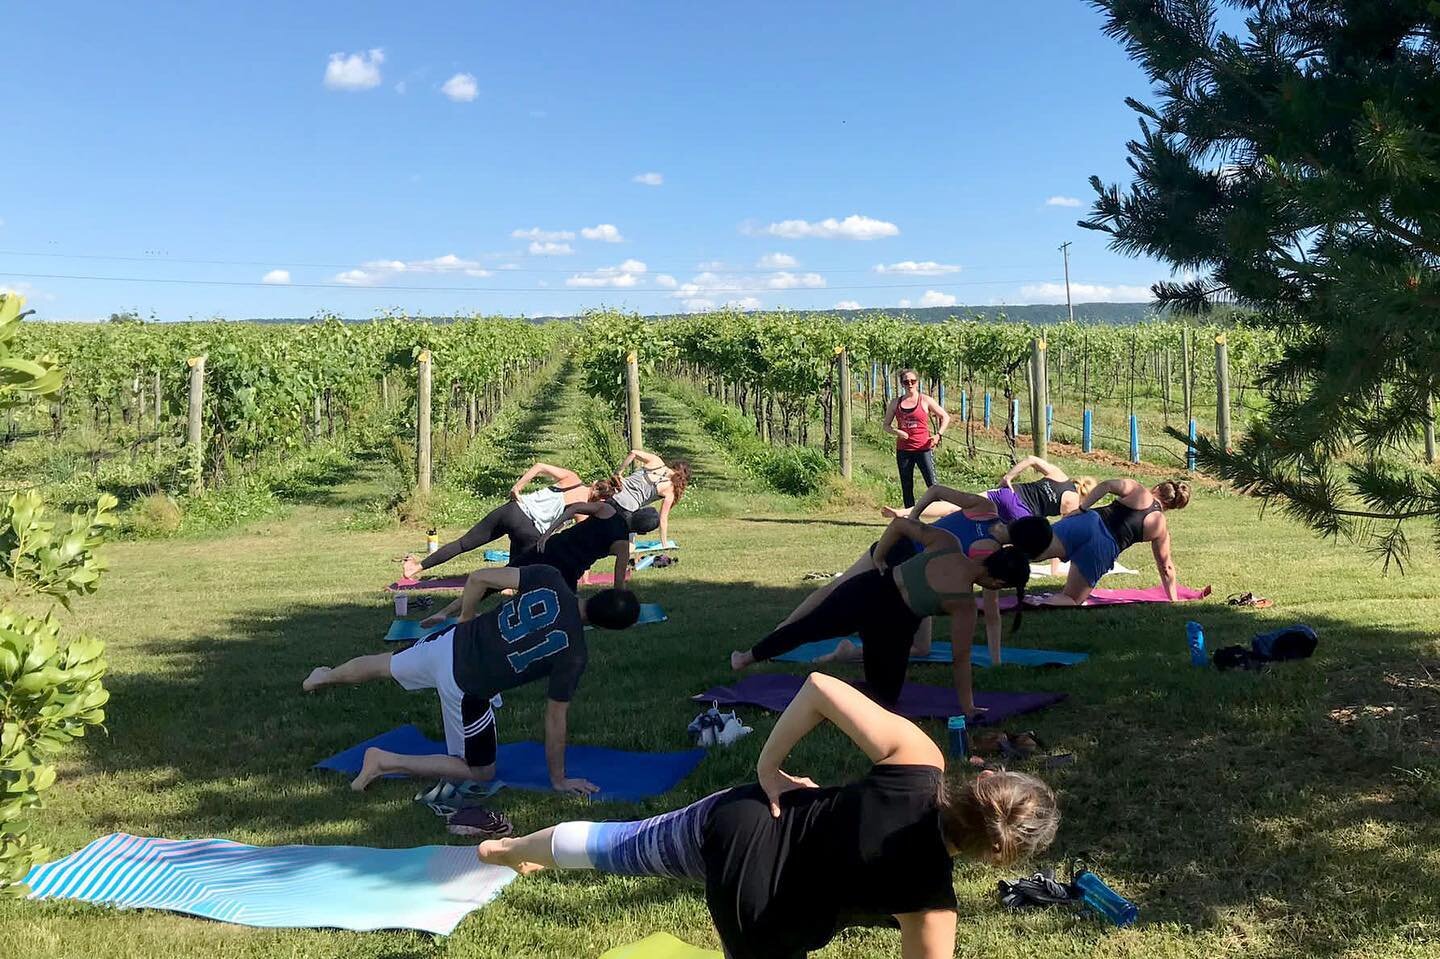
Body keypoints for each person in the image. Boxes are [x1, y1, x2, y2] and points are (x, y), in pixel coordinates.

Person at [479, 672, 1059, 959]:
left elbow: (819, 687)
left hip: (748, 819)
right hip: (763, 912)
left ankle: (509, 850)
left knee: (621, 845)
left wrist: (769, 767)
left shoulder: (919, 762)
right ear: (996, 854)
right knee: (622, 850)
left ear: (982, 780)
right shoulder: (932, 907)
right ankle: (513, 854)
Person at [303, 564, 641, 796]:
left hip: (447, 644)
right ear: (610, 629)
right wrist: (558, 779)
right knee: (481, 772)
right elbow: (555, 718)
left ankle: (321, 678)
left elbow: (479, 578)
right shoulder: (574, 654)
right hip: (465, 688)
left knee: (383, 664)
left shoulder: (549, 577)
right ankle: (383, 761)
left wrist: (464, 620)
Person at [733, 516, 1032, 719]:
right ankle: (827, 690)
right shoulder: (964, 605)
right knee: (884, 698)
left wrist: (880, 556)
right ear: (998, 583)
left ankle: (745, 658)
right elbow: (960, 659)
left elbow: (900, 523)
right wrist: (968, 707)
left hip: (871, 590)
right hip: (892, 626)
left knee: (805, 629)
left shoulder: (947, 542)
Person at [776, 506, 1007, 669]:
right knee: (837, 590)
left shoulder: (985, 508)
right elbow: (991, 610)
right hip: (903, 552)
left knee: (921, 648)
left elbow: (937, 492)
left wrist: (913, 516)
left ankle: (847, 653)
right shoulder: (989, 548)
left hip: (921, 573)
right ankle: (784, 630)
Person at [420, 501, 659, 624]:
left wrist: (548, 533)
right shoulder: (623, 546)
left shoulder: (607, 509)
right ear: (643, 532)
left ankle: (445, 612)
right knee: (566, 614)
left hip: (549, 548)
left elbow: (573, 508)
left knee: (495, 580)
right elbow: (619, 587)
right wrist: (625, 610)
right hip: (565, 570)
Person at [401, 461, 613, 580]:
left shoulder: (572, 479)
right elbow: (581, 546)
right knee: (518, 573)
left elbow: (539, 466)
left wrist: (517, 487)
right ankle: (505, 586)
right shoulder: (583, 511)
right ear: (601, 500)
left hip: (513, 510)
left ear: (594, 483)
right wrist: (584, 576)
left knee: (464, 543)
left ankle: (416, 568)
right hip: (531, 531)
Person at [1004, 478, 1191, 606]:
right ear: (1173, 506)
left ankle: (989, 559)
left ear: (1157, 488)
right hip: (1103, 547)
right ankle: (1040, 601)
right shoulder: (1160, 527)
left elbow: (1107, 485)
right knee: (1072, 598)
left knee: (1033, 550)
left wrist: (1082, 508)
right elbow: (1166, 567)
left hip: (1088, 522)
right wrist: (1172, 600)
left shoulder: (1139, 491)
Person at [885, 457, 1095, 525]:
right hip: (1021, 514)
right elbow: (1060, 533)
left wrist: (1009, 476)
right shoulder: (1074, 505)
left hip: (1008, 494)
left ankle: (904, 513)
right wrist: (1056, 568)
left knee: (955, 507)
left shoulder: (1060, 474)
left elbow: (1031, 459)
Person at [883, 369, 950, 509]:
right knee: (906, 484)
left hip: (923, 448)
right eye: (906, 382)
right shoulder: (896, 403)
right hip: (904, 450)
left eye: (913, 381)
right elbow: (886, 426)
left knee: (932, 484)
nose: (910, 384)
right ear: (902, 384)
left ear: (917, 382)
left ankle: (940, 514)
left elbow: (945, 417)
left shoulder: (925, 400)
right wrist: (898, 432)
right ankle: (909, 516)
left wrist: (938, 435)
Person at [607, 448, 690, 547]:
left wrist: (619, 472)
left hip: (611, 494)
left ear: (673, 466)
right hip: (626, 508)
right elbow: (663, 519)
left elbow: (633, 453)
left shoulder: (657, 461)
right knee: (631, 543)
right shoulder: (671, 489)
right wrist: (664, 544)